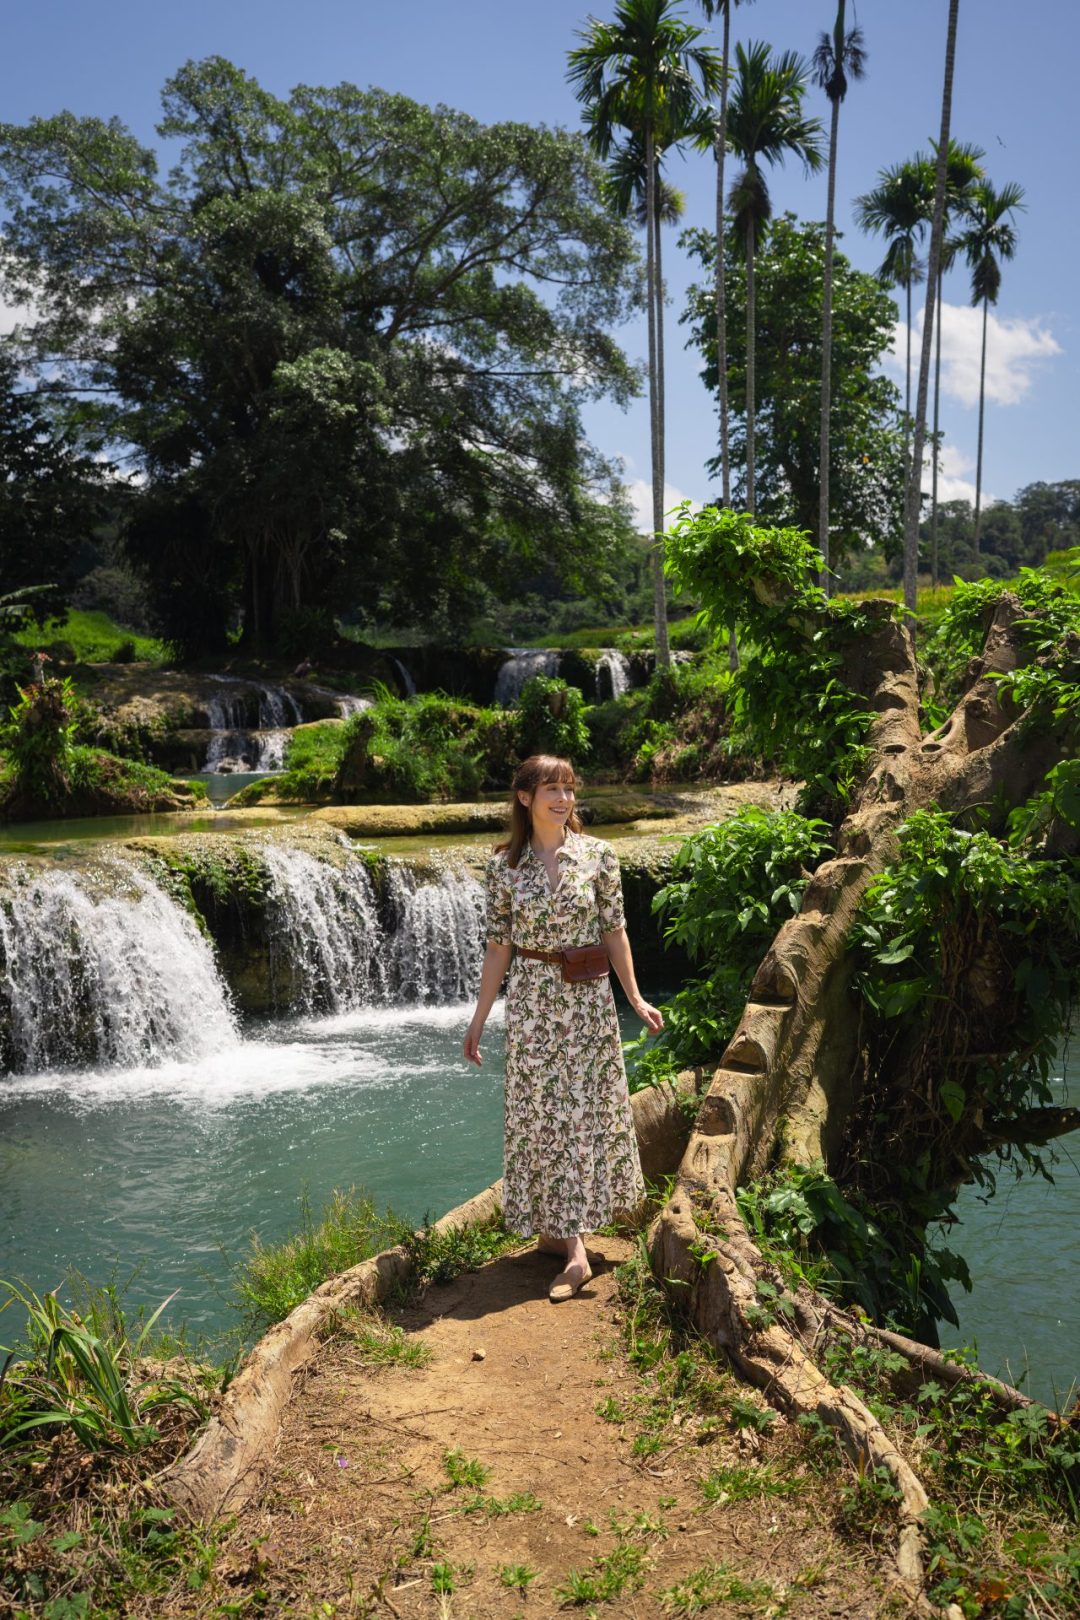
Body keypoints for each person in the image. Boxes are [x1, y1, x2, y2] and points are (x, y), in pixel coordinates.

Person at [463, 755, 664, 1302]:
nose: (564, 799)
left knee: (583, 1114)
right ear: (525, 797)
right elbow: (498, 947)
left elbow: (615, 932)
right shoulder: (503, 867)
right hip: (532, 1005)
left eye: (569, 789)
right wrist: (479, 1020)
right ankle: (562, 1236)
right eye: (552, 788)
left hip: (587, 1004)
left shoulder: (599, 855)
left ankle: (573, 1252)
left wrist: (636, 998)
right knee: (543, 1116)